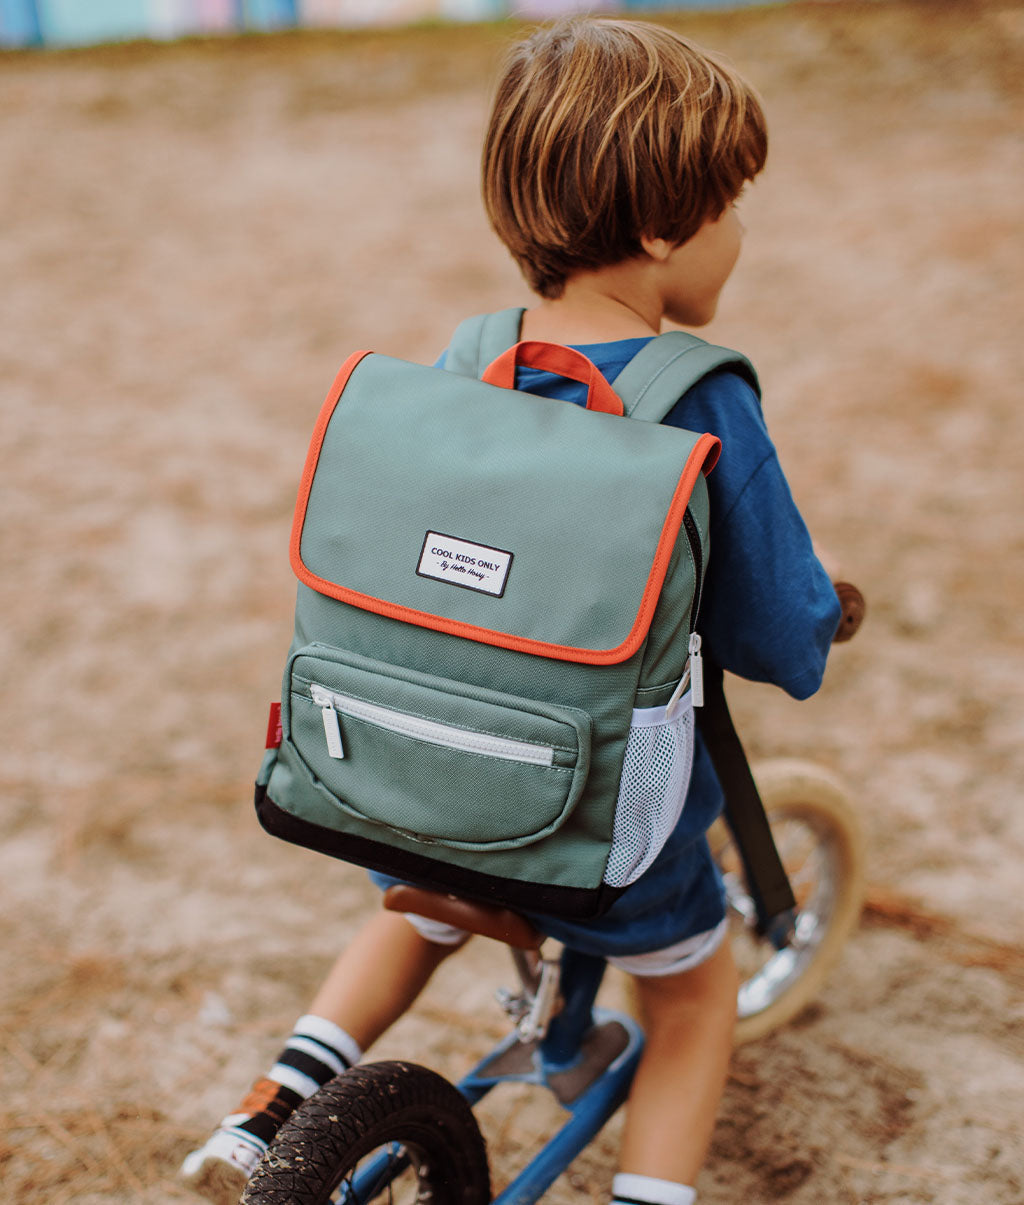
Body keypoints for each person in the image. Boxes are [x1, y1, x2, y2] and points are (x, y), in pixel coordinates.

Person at [180, 17, 840, 1205]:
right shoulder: (701, 403)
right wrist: (820, 623)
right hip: (595, 830)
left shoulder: (468, 362)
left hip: (412, 780)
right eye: (732, 202)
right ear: (657, 228)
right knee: (691, 994)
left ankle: (272, 1101)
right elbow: (774, 633)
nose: (741, 232)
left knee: (428, 898)